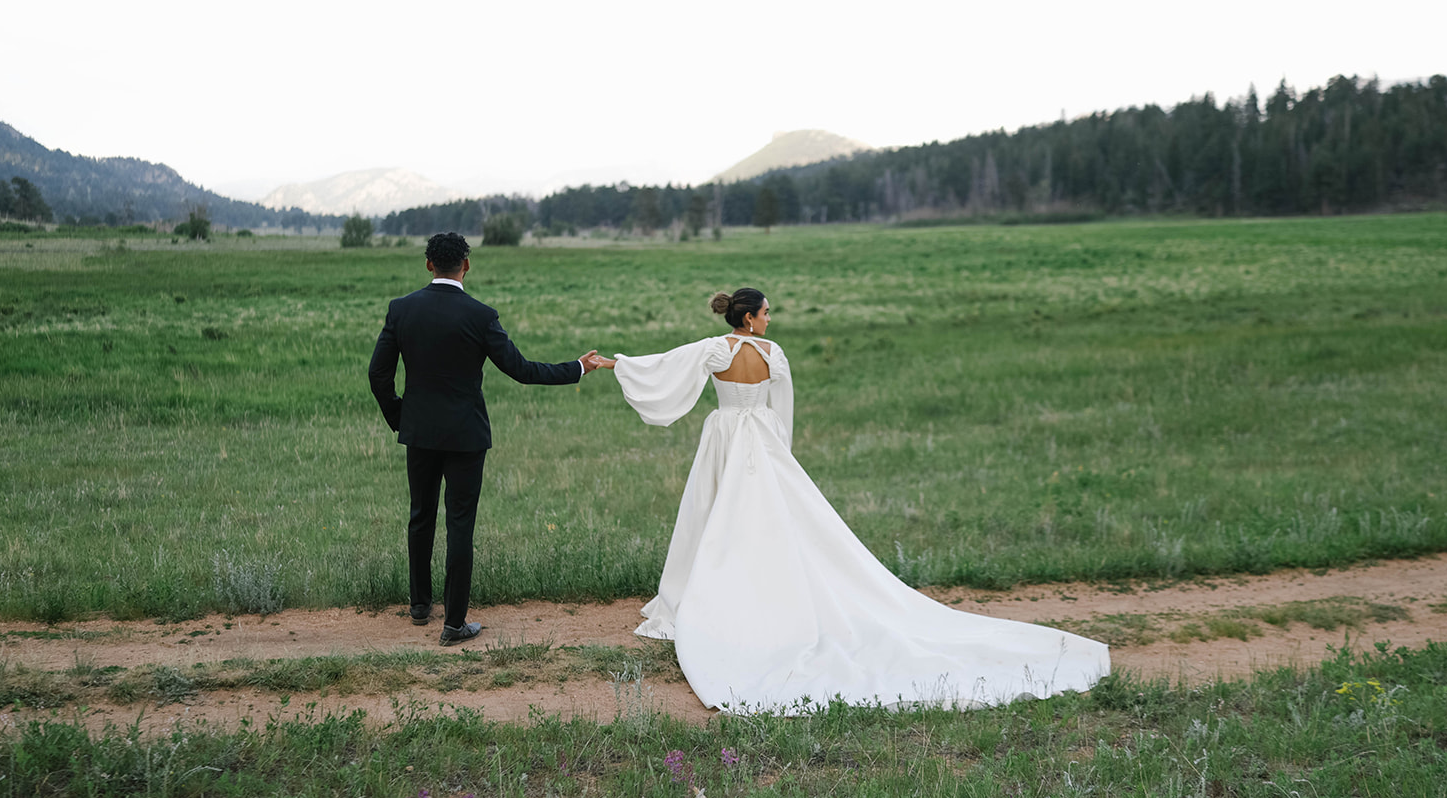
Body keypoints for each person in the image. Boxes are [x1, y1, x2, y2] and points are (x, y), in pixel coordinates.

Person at [602, 287, 1110, 713]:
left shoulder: (715, 351)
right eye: (767, 312)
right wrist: (782, 446)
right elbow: (785, 404)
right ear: (752, 319)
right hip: (763, 437)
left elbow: (666, 366)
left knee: (713, 514)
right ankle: (767, 588)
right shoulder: (773, 353)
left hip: (725, 435)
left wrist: (618, 362)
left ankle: (706, 592)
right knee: (776, 518)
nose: (770, 318)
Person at [368, 231, 610, 646]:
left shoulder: (401, 309)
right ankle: (454, 623)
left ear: (428, 265)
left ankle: (419, 605)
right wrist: (578, 368)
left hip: (419, 434)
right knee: (460, 525)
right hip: (466, 436)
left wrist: (402, 418)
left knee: (420, 516)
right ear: (466, 265)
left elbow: (378, 375)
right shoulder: (480, 315)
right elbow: (521, 369)